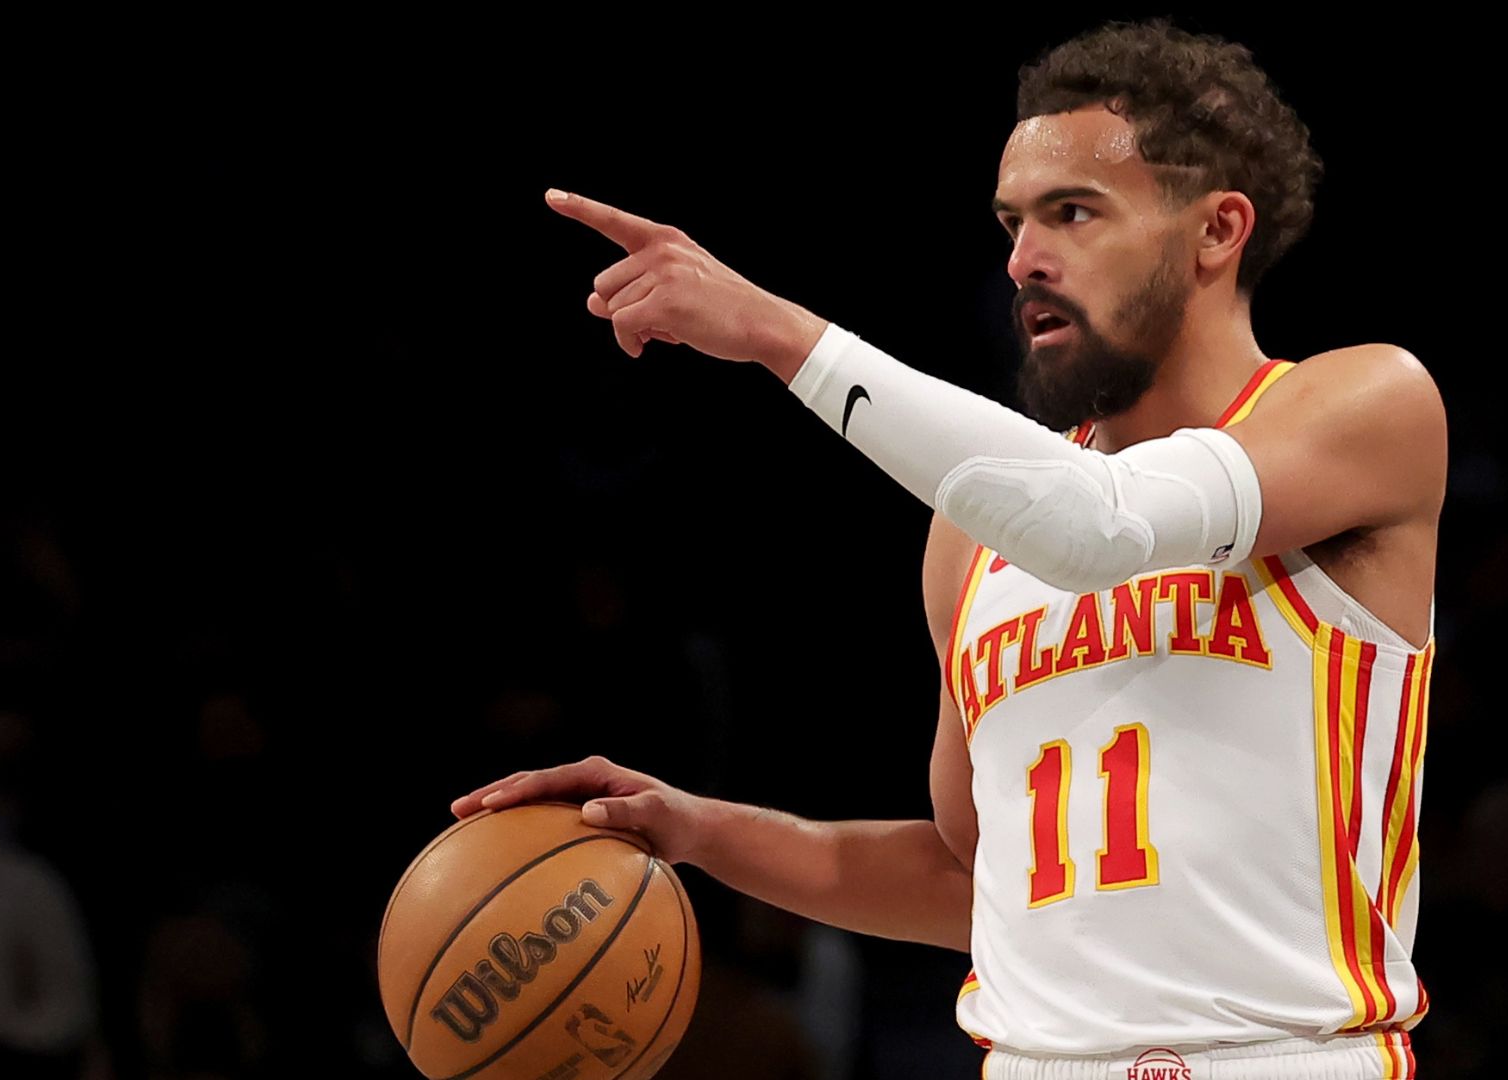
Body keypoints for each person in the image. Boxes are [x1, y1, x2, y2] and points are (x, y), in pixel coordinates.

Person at [453, 17, 1445, 1079]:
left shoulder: (1369, 406)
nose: (1024, 259)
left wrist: (779, 334)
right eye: (1013, 222)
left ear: (1217, 231)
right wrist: (695, 830)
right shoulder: (969, 537)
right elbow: (972, 880)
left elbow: (1100, 525)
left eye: (1073, 212)